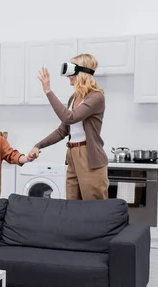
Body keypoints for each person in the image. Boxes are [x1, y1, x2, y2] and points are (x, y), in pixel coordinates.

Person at [27, 53, 109, 200]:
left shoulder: (96, 97)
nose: (68, 76)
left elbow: (69, 118)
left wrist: (48, 91)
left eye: (71, 72)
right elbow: (62, 130)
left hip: (88, 156)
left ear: (81, 73)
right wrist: (38, 145)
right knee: (72, 205)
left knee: (93, 207)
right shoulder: (75, 97)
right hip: (71, 154)